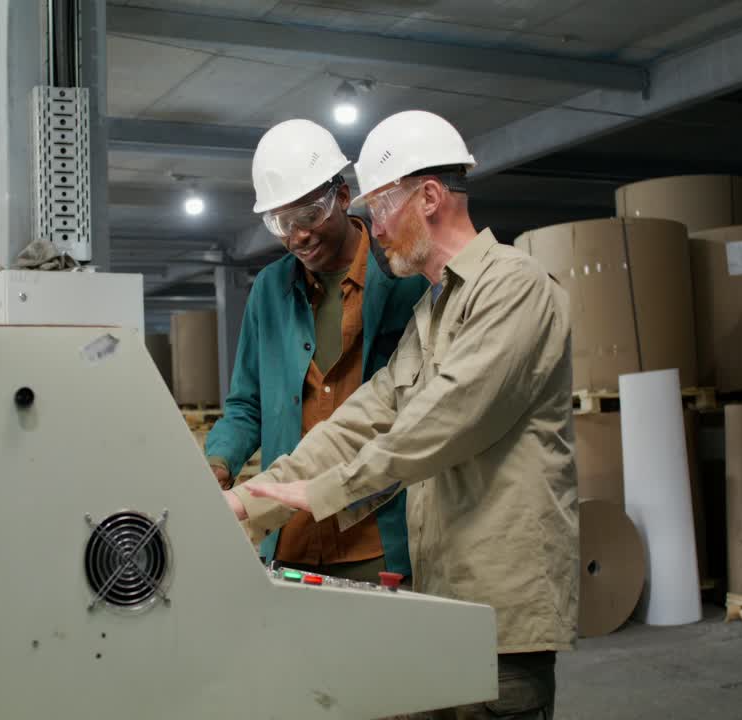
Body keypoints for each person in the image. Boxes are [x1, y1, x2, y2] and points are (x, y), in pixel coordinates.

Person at [224, 110, 577, 720]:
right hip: (438, 601)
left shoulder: (515, 288)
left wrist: (321, 492)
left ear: (430, 197)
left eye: (381, 207)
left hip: (501, 613)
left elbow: (439, 426)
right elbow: (369, 414)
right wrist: (250, 499)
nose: (375, 228)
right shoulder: (434, 311)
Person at [204, 118, 428, 584]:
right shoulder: (269, 291)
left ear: (343, 196)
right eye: (281, 223)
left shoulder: (404, 279)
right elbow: (246, 403)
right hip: (291, 534)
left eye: (308, 215)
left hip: (378, 532)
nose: (297, 235)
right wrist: (219, 462)